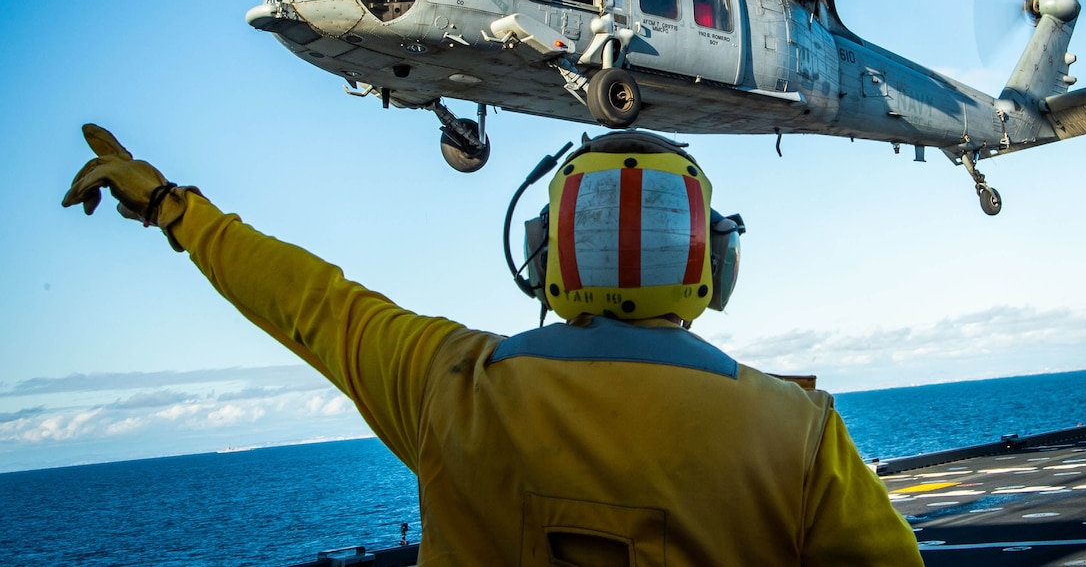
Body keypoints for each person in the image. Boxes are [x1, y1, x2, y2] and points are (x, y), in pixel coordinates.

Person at [62, 125, 924, 566]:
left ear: (544, 261)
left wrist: (174, 206)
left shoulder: (453, 385)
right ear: (715, 261)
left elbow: (307, 302)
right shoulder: (798, 434)